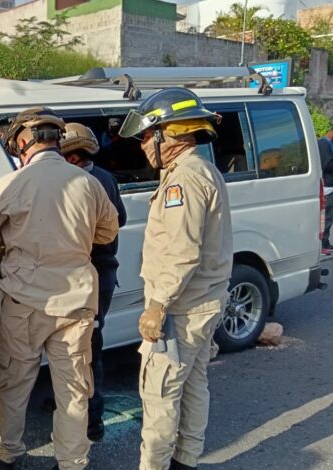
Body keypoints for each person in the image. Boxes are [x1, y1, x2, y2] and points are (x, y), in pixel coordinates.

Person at [0, 107, 119, 470]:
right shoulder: (88, 182)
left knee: (15, 384)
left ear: (23, 142)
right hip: (77, 302)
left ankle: (6, 453)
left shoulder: (13, 183)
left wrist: (10, 235)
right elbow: (108, 232)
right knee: (73, 391)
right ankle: (72, 462)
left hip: (25, 301)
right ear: (56, 140)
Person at [118, 87, 233, 470]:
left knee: (161, 393)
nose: (143, 146)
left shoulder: (183, 181)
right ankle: (186, 460)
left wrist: (157, 305)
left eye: (148, 136)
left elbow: (183, 252)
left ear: (171, 134)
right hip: (203, 303)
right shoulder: (202, 170)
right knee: (194, 385)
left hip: (181, 310)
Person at [60, 122, 127, 442]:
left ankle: (91, 417)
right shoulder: (106, 177)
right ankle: (82, 407)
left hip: (88, 276)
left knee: (85, 348)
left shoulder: (77, 182)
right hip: (105, 275)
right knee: (88, 346)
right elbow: (121, 219)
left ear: (72, 158)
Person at [317, 126, 333, 253]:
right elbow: (327, 164)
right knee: (327, 216)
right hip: (327, 185)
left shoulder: (327, 144)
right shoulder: (324, 144)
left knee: (328, 216)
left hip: (328, 185)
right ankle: (323, 244)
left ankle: (326, 242)